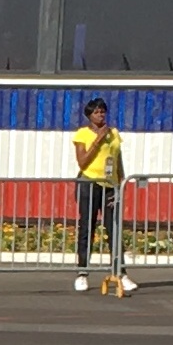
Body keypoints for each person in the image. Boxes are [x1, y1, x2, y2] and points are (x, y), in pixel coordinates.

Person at [72, 96, 131, 294]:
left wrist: (120, 184)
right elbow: (83, 161)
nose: (100, 115)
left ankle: (120, 272)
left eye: (103, 111)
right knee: (87, 227)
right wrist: (98, 139)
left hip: (109, 183)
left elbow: (117, 159)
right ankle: (82, 273)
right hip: (89, 181)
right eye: (96, 112)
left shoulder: (113, 133)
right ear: (90, 116)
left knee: (113, 228)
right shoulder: (83, 134)